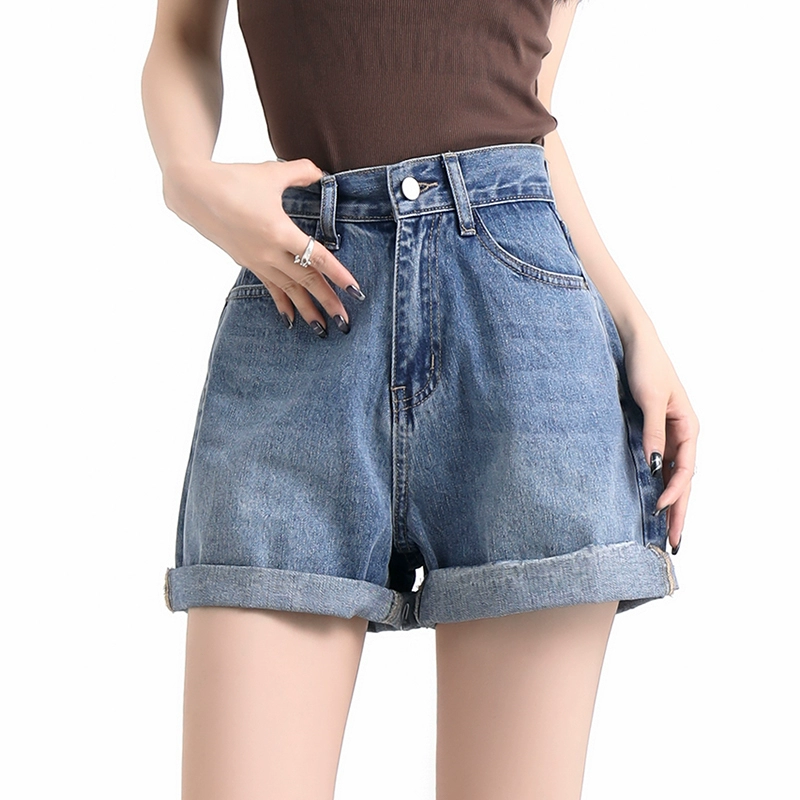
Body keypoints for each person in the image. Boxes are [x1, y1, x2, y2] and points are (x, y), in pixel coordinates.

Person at [141, 0, 700, 797]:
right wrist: (186, 177)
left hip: (526, 340)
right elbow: (182, 36)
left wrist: (636, 326)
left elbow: (528, 117)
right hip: (307, 299)